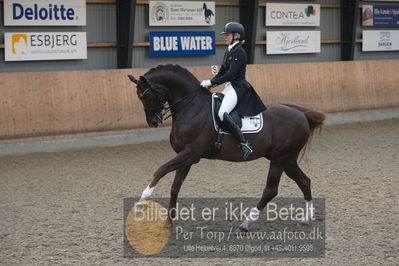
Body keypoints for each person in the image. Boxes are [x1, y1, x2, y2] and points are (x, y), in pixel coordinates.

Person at [200, 22, 266, 160]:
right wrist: (210, 83)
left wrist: (211, 82)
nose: (225, 37)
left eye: (227, 35)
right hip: (229, 87)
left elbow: (230, 75)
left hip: (238, 88)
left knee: (222, 113)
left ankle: (244, 143)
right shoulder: (229, 51)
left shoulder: (240, 52)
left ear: (236, 36)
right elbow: (222, 72)